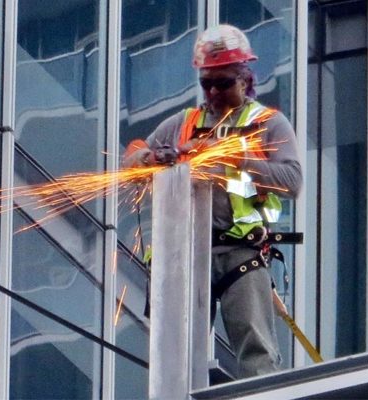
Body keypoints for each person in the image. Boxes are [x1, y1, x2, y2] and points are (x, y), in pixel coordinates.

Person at [124, 24, 302, 378]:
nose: (214, 92)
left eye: (223, 83)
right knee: (173, 355)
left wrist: (234, 158)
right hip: (185, 254)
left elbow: (292, 181)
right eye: (207, 84)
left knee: (257, 351)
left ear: (244, 79)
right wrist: (154, 158)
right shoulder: (184, 123)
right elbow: (131, 158)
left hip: (242, 252)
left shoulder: (267, 123)